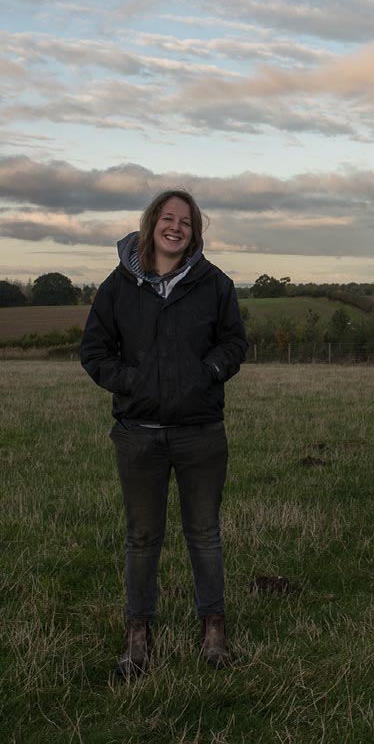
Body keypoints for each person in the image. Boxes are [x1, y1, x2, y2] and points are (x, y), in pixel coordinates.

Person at [80, 189, 248, 677]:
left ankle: (213, 633)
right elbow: (94, 352)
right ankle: (138, 636)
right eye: (168, 218)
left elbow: (235, 341)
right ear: (152, 223)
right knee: (142, 537)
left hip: (200, 433)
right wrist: (132, 383)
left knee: (205, 534)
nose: (176, 227)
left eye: (187, 222)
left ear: (195, 232)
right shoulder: (117, 286)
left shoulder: (214, 284)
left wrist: (208, 371)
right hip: (138, 435)